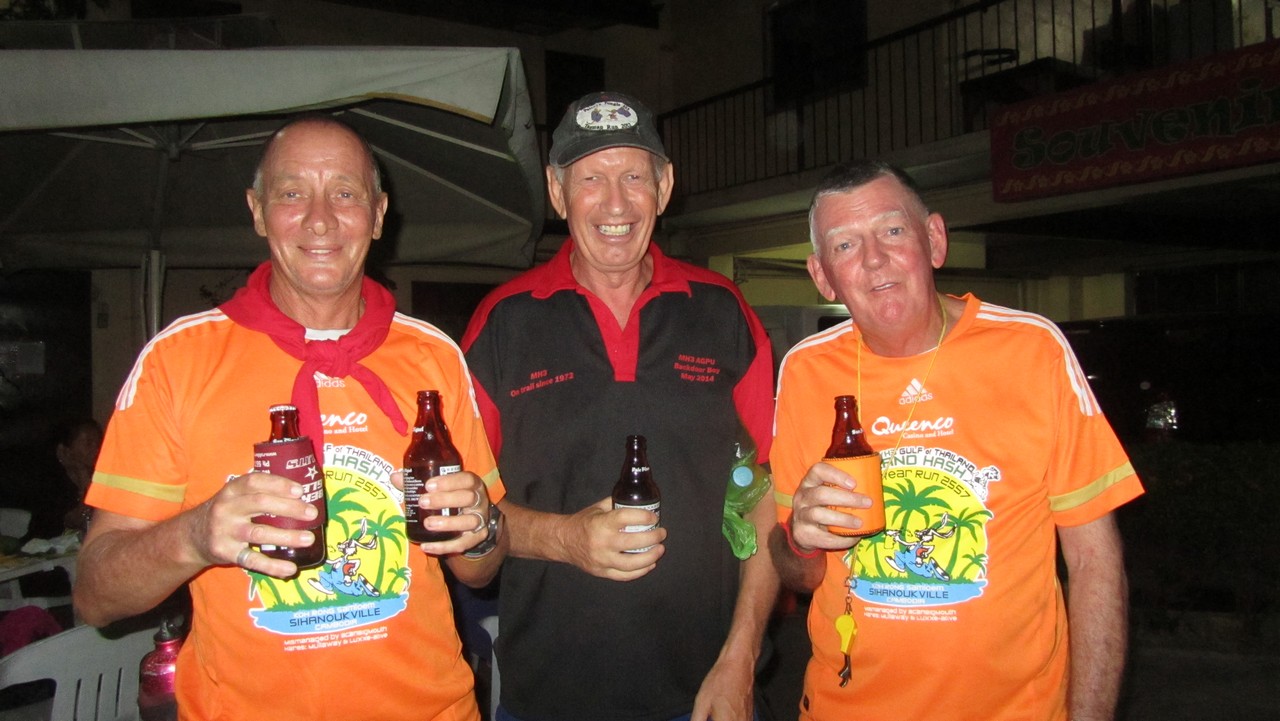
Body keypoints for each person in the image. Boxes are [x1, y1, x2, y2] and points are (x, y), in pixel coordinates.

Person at [73, 116, 507, 721]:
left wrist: (482, 527)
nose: (320, 219)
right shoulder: (178, 360)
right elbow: (95, 597)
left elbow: (479, 570)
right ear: (258, 211)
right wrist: (194, 536)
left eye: (345, 193)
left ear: (379, 215)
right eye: (292, 192)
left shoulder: (435, 356)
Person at [768, 160, 1144, 721]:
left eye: (893, 230)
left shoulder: (1032, 350)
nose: (874, 259)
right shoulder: (805, 371)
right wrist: (800, 540)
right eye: (846, 245)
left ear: (935, 240)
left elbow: (1095, 563)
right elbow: (797, 572)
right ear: (822, 276)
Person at [461, 91, 778, 721]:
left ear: (664, 187)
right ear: (557, 193)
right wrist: (565, 540)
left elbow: (771, 493)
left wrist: (741, 658)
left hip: (704, 693)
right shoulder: (502, 324)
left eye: (634, 176)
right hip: (547, 698)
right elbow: (467, 516)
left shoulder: (723, 311)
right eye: (591, 179)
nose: (615, 203)